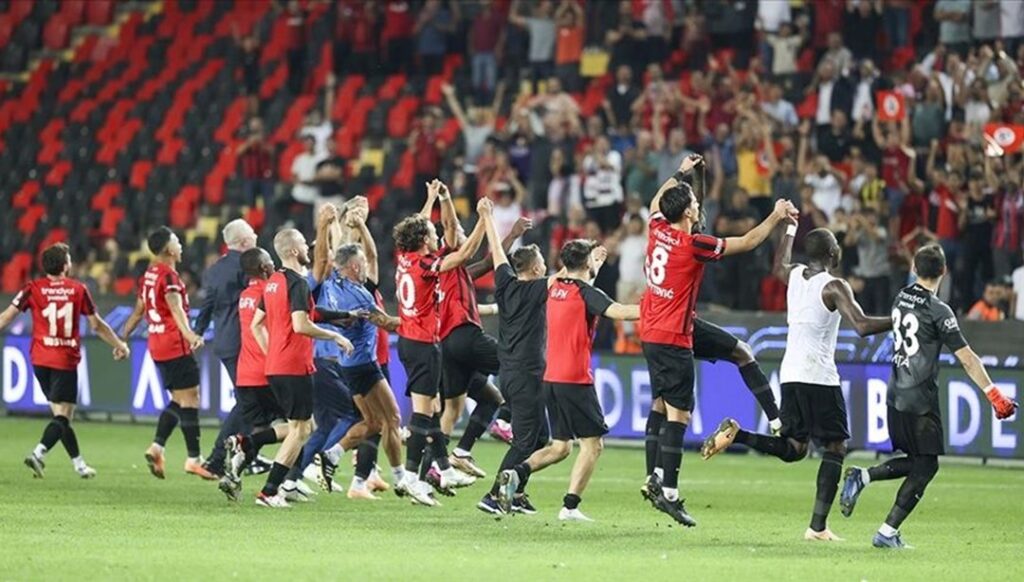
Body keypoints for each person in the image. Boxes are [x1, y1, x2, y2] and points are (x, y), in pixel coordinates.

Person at [702, 225, 892, 541]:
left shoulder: (795, 275)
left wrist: (789, 227)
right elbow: (860, 325)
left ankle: (739, 435)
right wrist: (900, 317)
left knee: (794, 447)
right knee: (835, 446)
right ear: (833, 254)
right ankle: (817, 528)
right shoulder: (834, 286)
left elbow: (778, 265)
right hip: (818, 376)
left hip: (790, 373)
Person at [639, 154, 796, 528]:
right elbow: (747, 241)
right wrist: (775, 216)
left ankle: (775, 419)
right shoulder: (692, 244)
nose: (697, 203)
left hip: (658, 327)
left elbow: (655, 201)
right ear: (688, 214)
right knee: (678, 411)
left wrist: (679, 171)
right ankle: (669, 493)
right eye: (693, 202)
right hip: (672, 333)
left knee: (740, 352)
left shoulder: (657, 226)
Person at [840, 245, 1018, 549]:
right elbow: (967, 358)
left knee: (917, 460)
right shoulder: (940, 311)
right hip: (920, 398)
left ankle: (864, 477)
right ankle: (886, 532)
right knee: (926, 466)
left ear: (913, 267)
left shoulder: (901, 296)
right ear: (944, 271)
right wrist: (994, 394)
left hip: (895, 393)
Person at [496, 240, 639, 522]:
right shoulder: (587, 293)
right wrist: (661, 307)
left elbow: (577, 277)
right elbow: (620, 312)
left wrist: (593, 263)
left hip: (550, 379)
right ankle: (570, 507)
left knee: (561, 447)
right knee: (593, 445)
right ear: (585, 264)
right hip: (575, 379)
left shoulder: (554, 289)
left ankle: (516, 473)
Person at [391, 194, 491, 504]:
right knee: (423, 414)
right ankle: (410, 477)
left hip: (409, 341)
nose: (437, 236)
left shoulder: (405, 258)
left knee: (433, 409)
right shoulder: (426, 264)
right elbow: (464, 255)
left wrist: (432, 199)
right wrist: (484, 220)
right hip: (423, 344)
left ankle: (444, 469)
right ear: (423, 240)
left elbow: (417, 229)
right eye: (432, 234)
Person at [0, 244, 129, 479]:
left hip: (40, 360)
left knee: (60, 415)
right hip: (64, 360)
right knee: (63, 416)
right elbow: (96, 325)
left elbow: (6, 317)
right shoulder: (78, 290)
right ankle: (38, 454)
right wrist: (119, 345)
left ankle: (79, 464)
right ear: (66, 265)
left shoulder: (32, 288)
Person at [246, 229, 354, 508]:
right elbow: (301, 325)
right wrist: (336, 336)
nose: (308, 248)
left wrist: (272, 353)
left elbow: (256, 324)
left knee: (302, 427)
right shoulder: (297, 282)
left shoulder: (273, 282)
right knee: (300, 431)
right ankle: (270, 491)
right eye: (304, 244)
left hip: (277, 366)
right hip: (294, 366)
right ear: (294, 251)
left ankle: (258, 459)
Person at [432, 183, 530, 480]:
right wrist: (447, 199)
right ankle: (505, 421)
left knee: (477, 402)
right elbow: (451, 226)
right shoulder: (449, 257)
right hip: (463, 336)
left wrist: (512, 234)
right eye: (459, 235)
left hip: (448, 346)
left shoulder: (450, 272)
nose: (461, 235)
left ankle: (436, 467)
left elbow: (489, 263)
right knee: (518, 361)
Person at [122, 227, 215, 481]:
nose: (181, 245)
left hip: (157, 345)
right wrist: (191, 336)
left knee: (178, 398)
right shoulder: (169, 277)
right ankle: (194, 459)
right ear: (168, 249)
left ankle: (157, 447)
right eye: (177, 241)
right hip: (175, 344)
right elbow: (176, 310)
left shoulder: (149, 275)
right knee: (191, 398)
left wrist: (123, 338)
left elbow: (139, 311)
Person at [476, 240, 556, 516]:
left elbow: (498, 255)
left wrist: (487, 217)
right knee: (525, 441)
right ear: (535, 269)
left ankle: (517, 492)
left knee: (540, 437)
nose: (546, 265)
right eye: (543, 261)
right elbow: (567, 278)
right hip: (527, 375)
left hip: (510, 373)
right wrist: (593, 263)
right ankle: (494, 495)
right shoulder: (535, 288)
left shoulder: (505, 283)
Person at [218, 247, 284, 502]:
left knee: (261, 432)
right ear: (265, 268)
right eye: (270, 261)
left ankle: (233, 476)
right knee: (301, 427)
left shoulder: (245, 294)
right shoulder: (269, 294)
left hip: (244, 375)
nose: (274, 265)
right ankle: (290, 482)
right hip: (266, 373)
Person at [194, 219, 258, 477]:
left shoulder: (216, 268)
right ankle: (216, 460)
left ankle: (243, 455)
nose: (256, 237)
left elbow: (207, 304)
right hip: (242, 342)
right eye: (252, 234)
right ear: (243, 242)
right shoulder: (247, 266)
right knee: (248, 402)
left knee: (252, 401)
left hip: (222, 340)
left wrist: (198, 331)